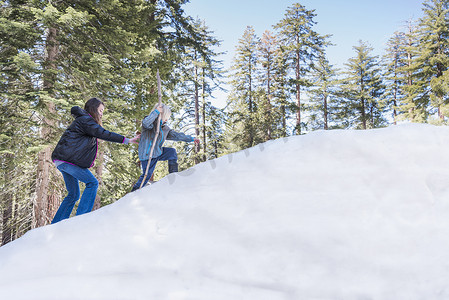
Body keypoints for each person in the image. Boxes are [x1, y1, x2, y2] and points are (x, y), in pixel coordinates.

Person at [51, 97, 140, 223]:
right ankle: (81, 219)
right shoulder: (86, 120)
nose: (102, 113)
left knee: (73, 194)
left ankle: (56, 224)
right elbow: (103, 133)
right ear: (94, 109)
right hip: (67, 160)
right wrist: (127, 140)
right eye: (101, 110)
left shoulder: (83, 120)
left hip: (62, 160)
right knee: (92, 183)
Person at [131, 103, 199, 191]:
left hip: (157, 152)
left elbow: (177, 136)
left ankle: (173, 176)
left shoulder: (165, 128)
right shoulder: (149, 123)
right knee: (146, 175)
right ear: (161, 115)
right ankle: (134, 191)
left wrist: (191, 139)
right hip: (147, 154)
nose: (167, 119)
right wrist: (156, 112)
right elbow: (146, 123)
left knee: (171, 152)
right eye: (165, 117)